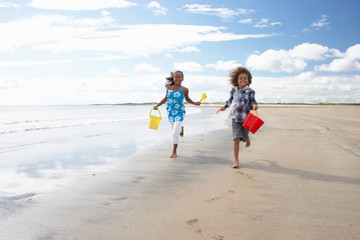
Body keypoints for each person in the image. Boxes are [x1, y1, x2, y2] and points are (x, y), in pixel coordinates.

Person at [217, 67, 258, 168]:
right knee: (236, 139)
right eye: (241, 78)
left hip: (246, 117)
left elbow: (253, 101)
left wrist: (255, 106)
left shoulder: (250, 91)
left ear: (248, 81)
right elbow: (229, 101)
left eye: (245, 78)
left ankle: (247, 138)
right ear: (236, 80)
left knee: (243, 137)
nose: (243, 80)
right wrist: (224, 107)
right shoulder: (233, 90)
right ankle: (236, 160)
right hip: (234, 117)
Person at [154, 71, 201, 158]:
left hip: (180, 112)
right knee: (175, 131)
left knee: (174, 132)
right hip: (170, 112)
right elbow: (165, 98)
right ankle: (181, 129)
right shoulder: (168, 87)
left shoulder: (184, 89)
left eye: (179, 77)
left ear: (182, 79)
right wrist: (157, 105)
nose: (178, 78)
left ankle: (174, 152)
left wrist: (195, 103)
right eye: (176, 77)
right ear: (173, 78)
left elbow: (187, 99)